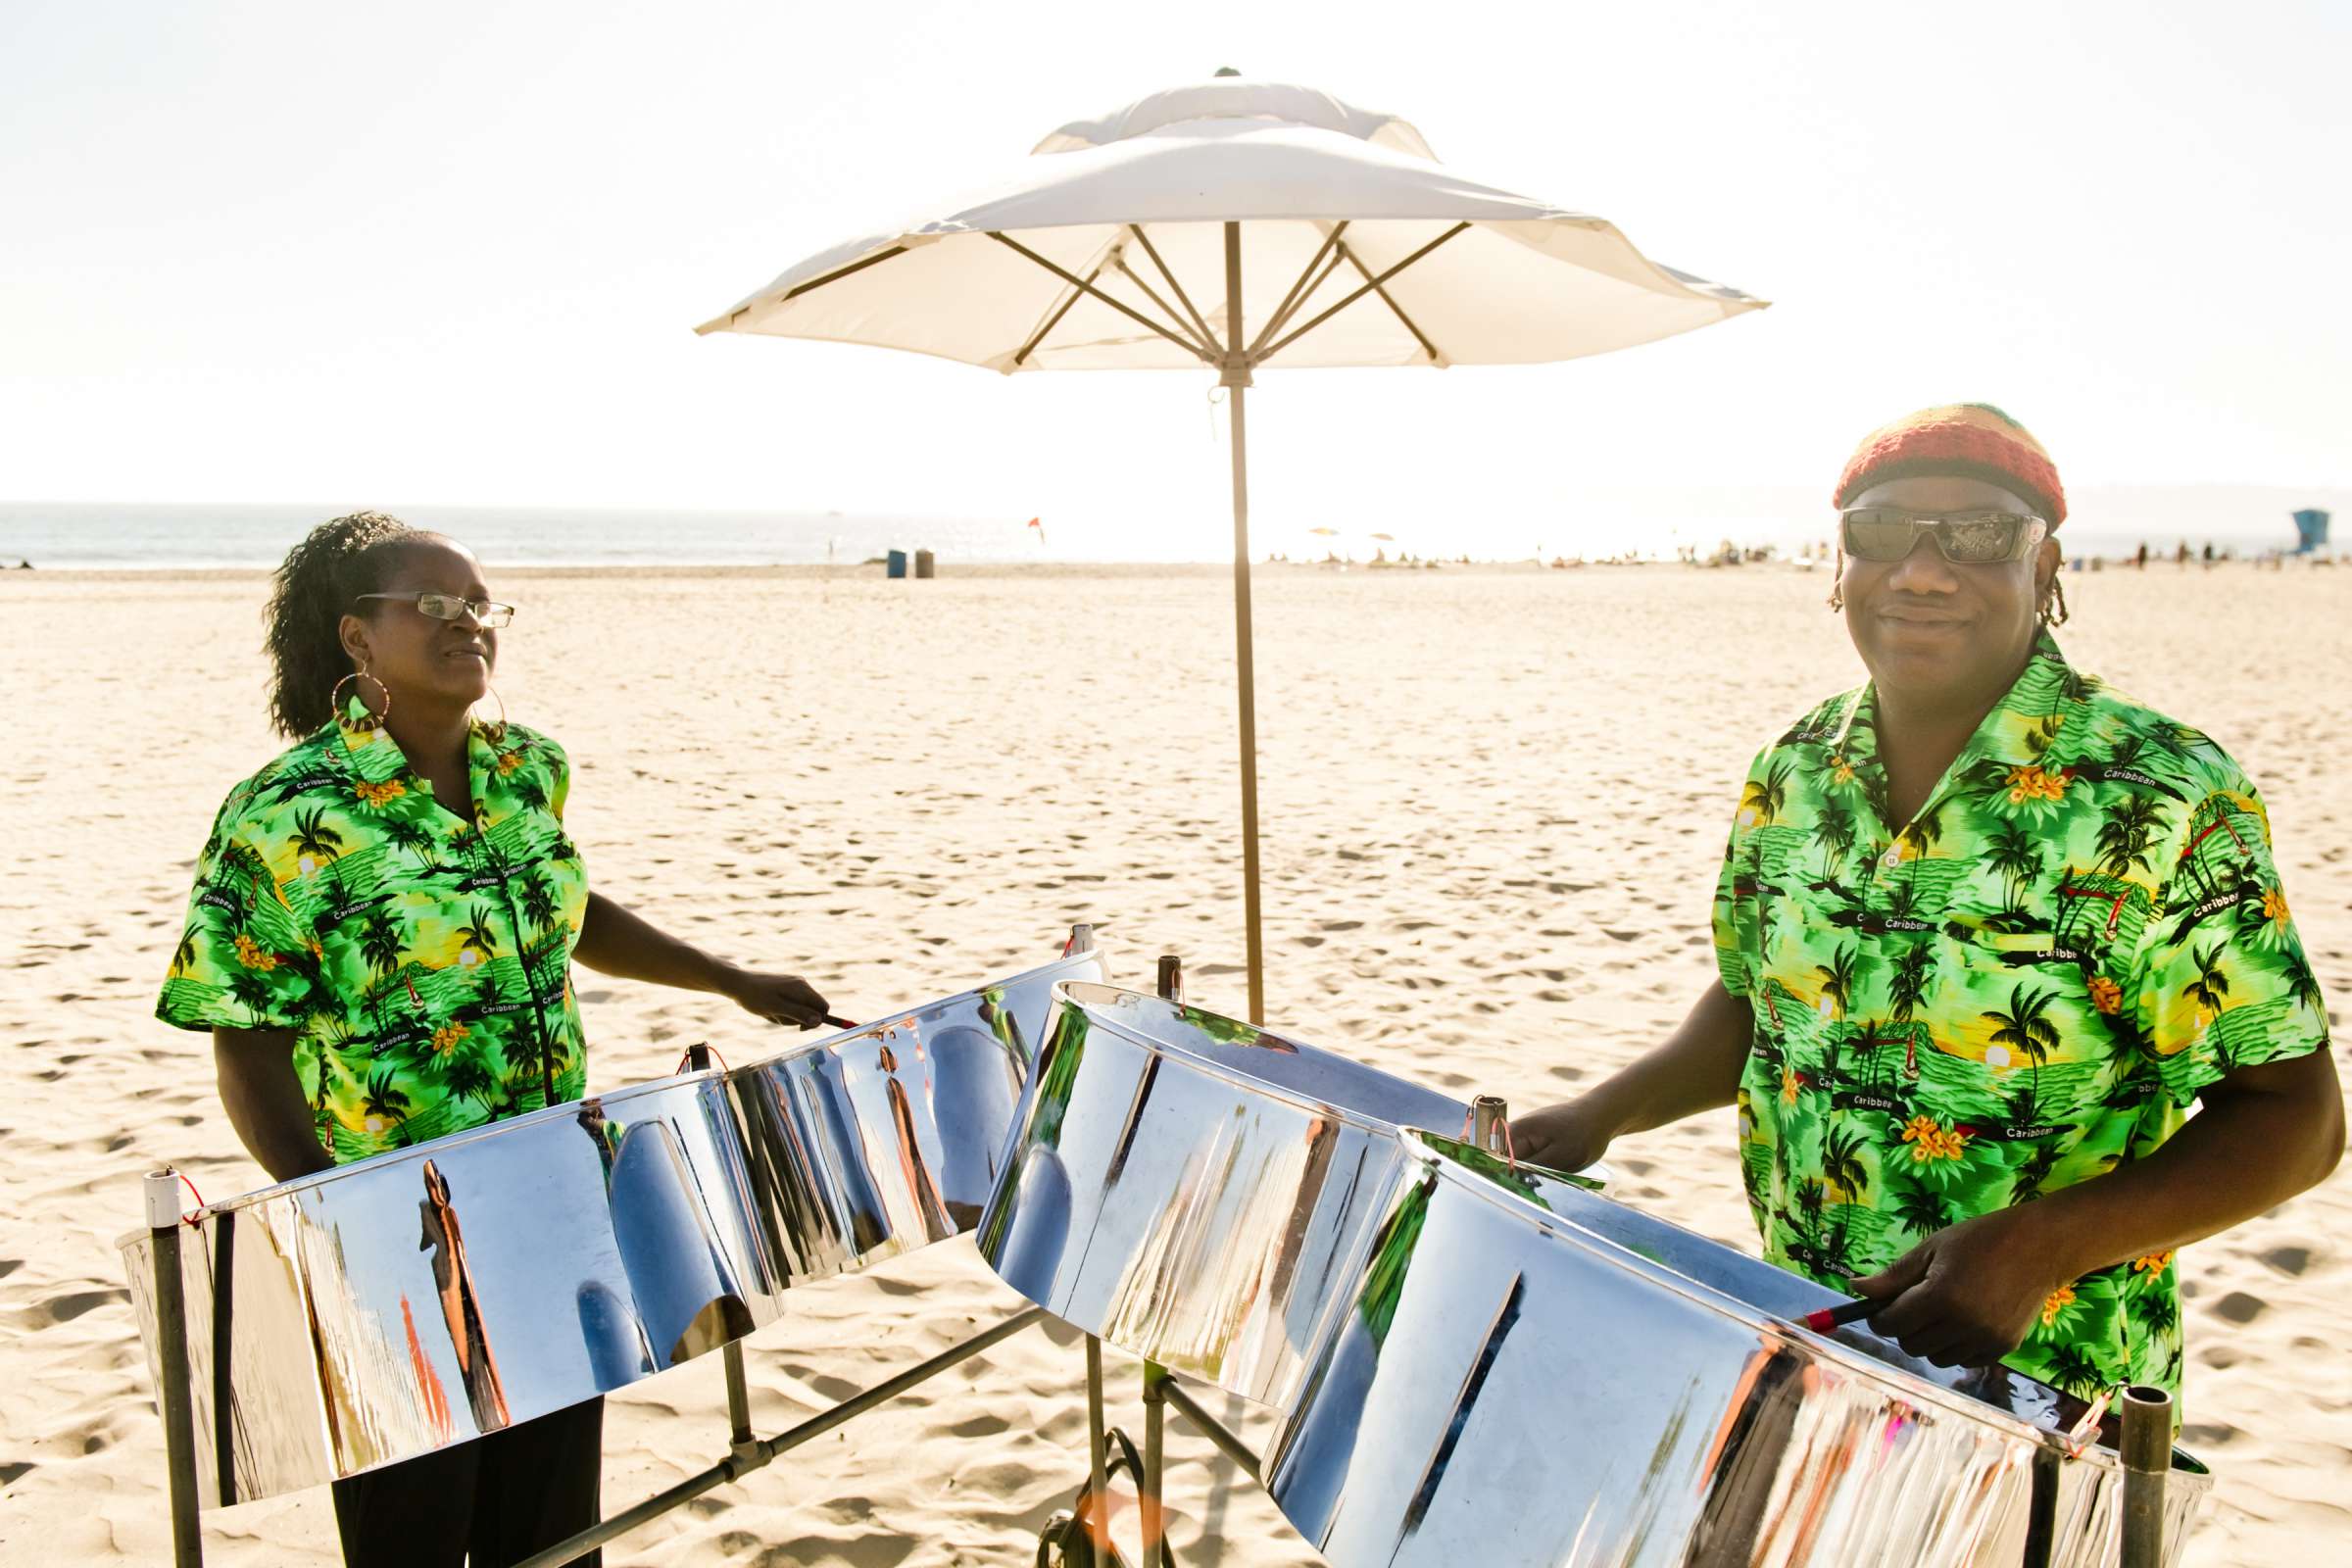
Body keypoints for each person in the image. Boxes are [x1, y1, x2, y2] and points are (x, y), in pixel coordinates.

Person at [1517, 405, 2340, 1408]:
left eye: (1980, 535)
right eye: (1881, 530)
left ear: (2044, 570)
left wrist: (2043, 1246)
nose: (1921, 570)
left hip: (2048, 1395)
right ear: (1838, 565)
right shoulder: (1794, 771)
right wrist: (1600, 1114)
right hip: (1806, 1344)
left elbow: (2296, 1119)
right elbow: (1756, 1007)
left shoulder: (2159, 791)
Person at [156, 512, 832, 1567]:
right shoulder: (286, 814)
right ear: (356, 639)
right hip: (402, 1227)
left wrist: (729, 979)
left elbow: (574, 911)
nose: (467, 622)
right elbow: (245, 1043)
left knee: (559, 1532)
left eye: (479, 604)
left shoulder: (526, 769)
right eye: (432, 605)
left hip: (556, 1198)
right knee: (414, 1532)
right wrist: (341, 1216)